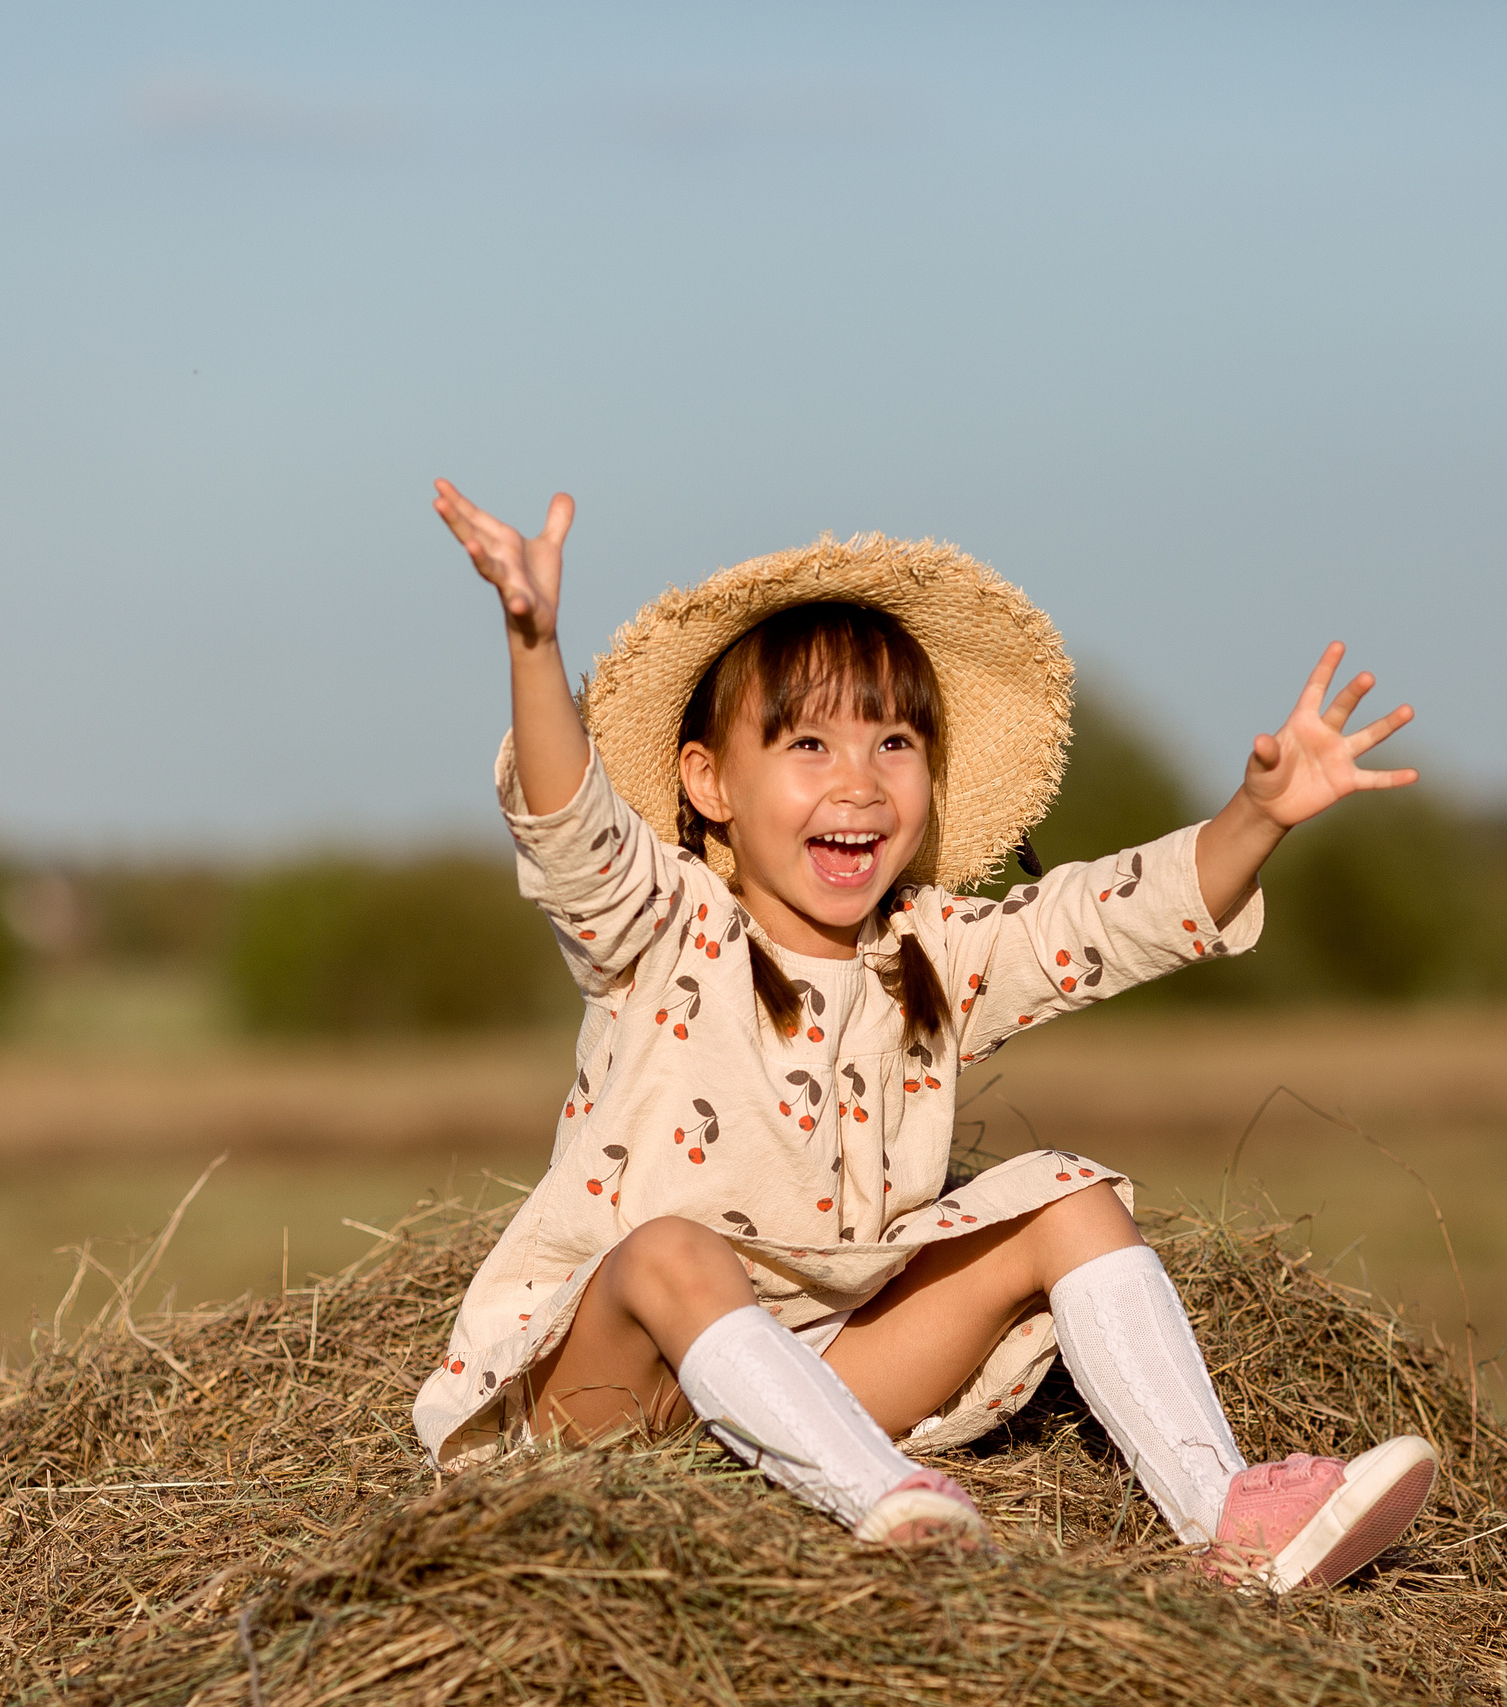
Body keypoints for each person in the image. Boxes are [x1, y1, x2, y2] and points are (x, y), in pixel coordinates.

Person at [412, 483, 1440, 1591]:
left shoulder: (928, 955)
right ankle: (896, 1514)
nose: (858, 782)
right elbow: (570, 827)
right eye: (806, 743)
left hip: (819, 1376)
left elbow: (1102, 920)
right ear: (708, 782)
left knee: (1066, 1196)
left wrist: (1258, 816)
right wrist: (533, 638)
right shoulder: (660, 925)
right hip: (601, 1403)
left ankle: (1227, 1520)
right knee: (674, 1250)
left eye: (894, 742)